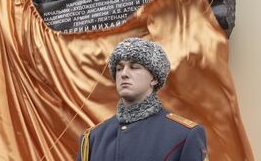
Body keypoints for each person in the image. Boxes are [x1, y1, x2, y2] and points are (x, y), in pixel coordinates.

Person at [77, 38, 208, 160]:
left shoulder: (184, 135)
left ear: (154, 78)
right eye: (119, 68)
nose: (124, 74)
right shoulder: (93, 138)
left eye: (134, 67)